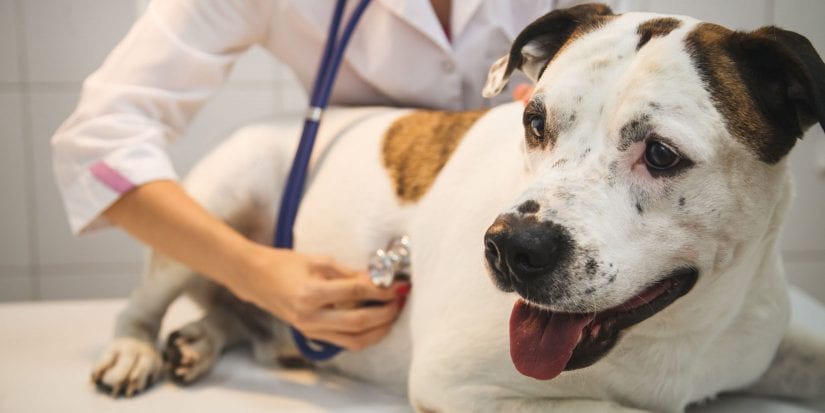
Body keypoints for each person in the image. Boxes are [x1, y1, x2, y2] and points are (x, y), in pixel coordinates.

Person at [51, 0, 624, 351]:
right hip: (360, 223)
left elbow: (607, 75)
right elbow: (100, 138)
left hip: (516, 233)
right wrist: (255, 273)